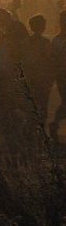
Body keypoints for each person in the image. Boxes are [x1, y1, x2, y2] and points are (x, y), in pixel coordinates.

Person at [21, 14, 53, 124]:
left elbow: (24, 60)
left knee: (32, 104)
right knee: (43, 104)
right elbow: (49, 60)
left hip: (31, 76)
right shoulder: (45, 42)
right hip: (43, 77)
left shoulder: (26, 42)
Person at [49, 10, 66, 141]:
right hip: (62, 74)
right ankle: (54, 123)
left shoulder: (56, 40)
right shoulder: (57, 41)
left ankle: (55, 123)